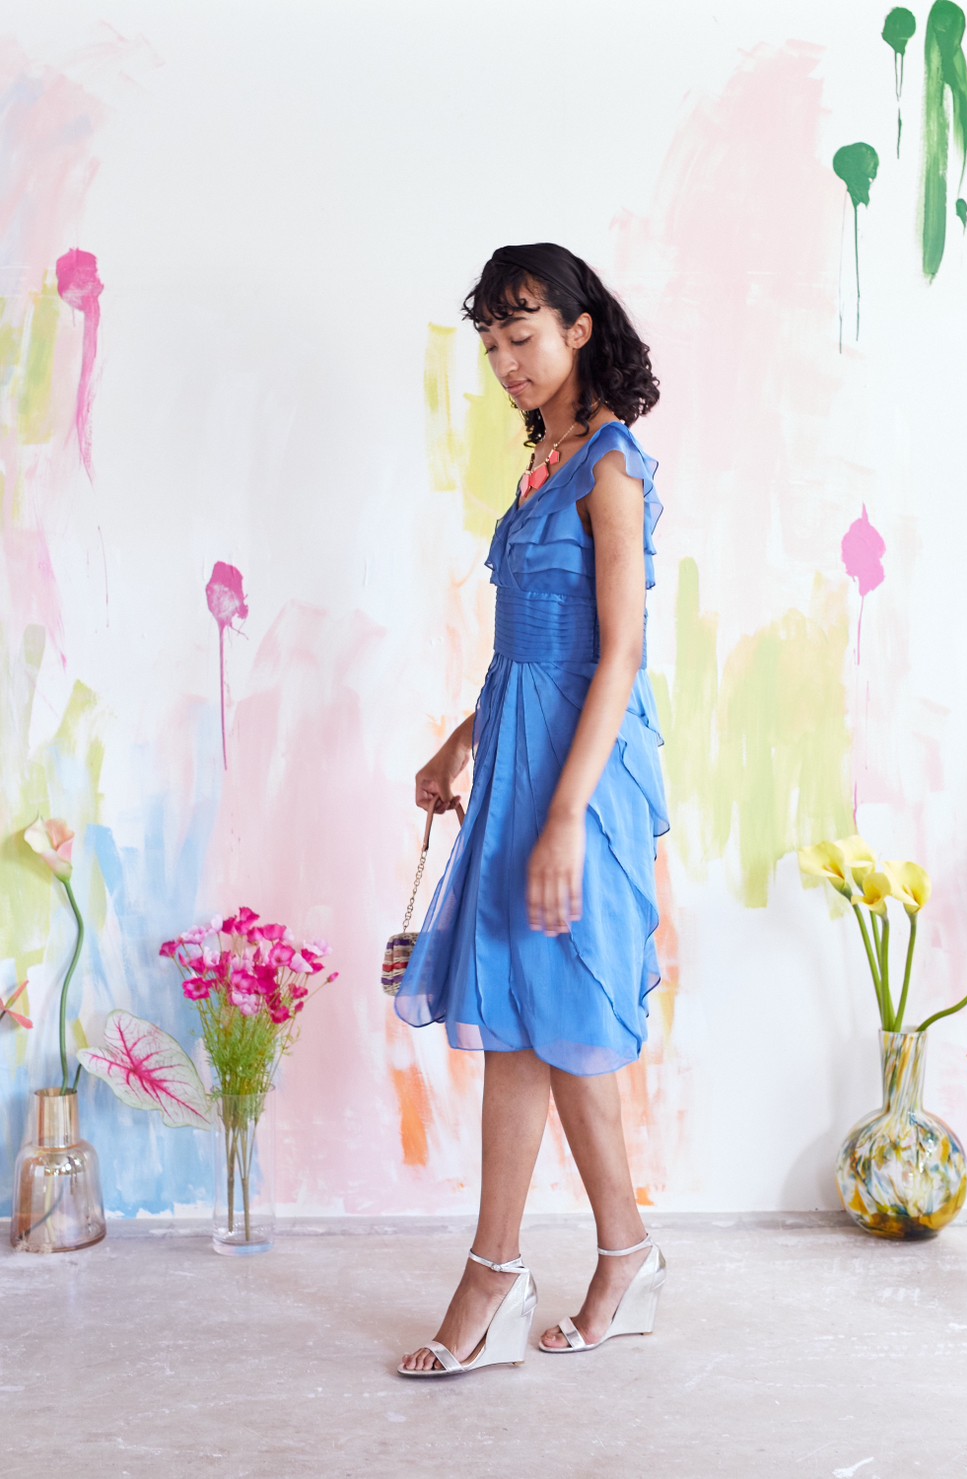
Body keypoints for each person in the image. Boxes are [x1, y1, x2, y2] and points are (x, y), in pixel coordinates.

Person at [393, 242, 670, 1376]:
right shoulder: (541, 463)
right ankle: (588, 1260)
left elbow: (617, 655)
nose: (506, 361)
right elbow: (528, 646)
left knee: (553, 1012)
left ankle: (513, 1271)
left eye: (522, 336)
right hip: (515, 755)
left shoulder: (609, 467)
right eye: (491, 344)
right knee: (524, 1014)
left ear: (577, 328)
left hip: (578, 775)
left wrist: (564, 816)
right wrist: (458, 742)